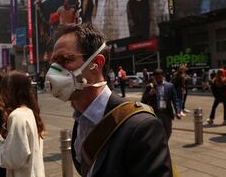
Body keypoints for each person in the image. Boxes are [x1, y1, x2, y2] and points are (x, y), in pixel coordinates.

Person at [45, 23, 172, 176]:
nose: (54, 71)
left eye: (65, 60)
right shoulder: (81, 121)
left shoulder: (141, 126)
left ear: (96, 64)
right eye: (53, 63)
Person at [0, 71, 45, 177]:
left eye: (4, 89)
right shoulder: (29, 112)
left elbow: (10, 159)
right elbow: (21, 149)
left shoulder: (17, 116)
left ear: (10, 91)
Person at [142, 69, 180, 140]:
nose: (158, 80)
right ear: (154, 78)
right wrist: (149, 94)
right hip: (155, 113)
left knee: (168, 131)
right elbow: (143, 101)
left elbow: (175, 100)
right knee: (157, 132)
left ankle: (163, 144)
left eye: (160, 77)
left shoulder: (170, 86)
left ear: (163, 76)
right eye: (156, 78)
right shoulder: (150, 87)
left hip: (167, 113)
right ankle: (161, 146)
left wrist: (177, 111)